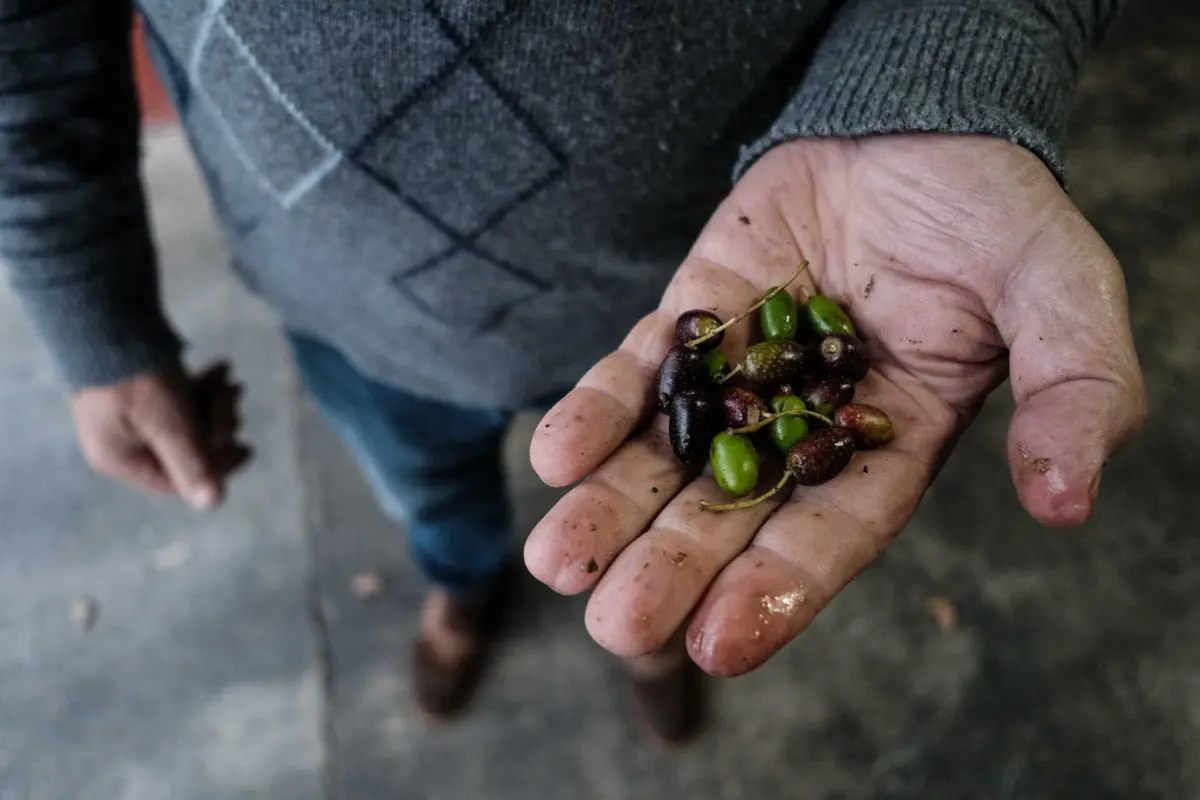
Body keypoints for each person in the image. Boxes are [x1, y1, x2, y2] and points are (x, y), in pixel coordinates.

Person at [0, 0, 1143, 746]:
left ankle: (632, 628)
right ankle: (462, 580)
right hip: (353, 304)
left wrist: (947, 73)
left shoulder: (764, 354)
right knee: (428, 490)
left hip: (713, 254)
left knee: (634, 537)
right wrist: (82, 296)